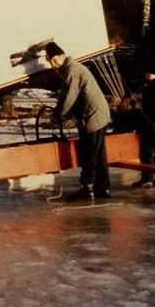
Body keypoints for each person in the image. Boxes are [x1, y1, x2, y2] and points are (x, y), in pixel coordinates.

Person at [45, 42, 112, 200]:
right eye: (50, 62)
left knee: (89, 153)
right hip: (99, 114)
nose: (53, 65)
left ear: (63, 55)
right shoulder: (73, 68)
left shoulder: (72, 70)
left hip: (93, 116)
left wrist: (57, 115)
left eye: (55, 60)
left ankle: (87, 189)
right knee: (98, 154)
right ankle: (103, 189)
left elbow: (69, 96)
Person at [131, 70, 155, 188]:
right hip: (154, 124)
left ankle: (148, 178)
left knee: (147, 152)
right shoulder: (152, 85)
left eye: (150, 73)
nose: (147, 75)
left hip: (154, 125)